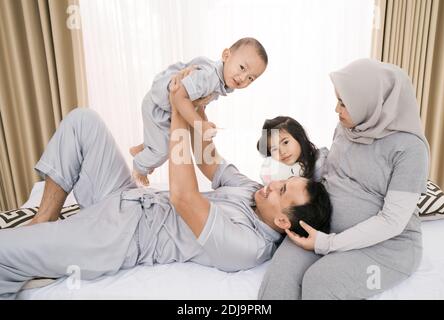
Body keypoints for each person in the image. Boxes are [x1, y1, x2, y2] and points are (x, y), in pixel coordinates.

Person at [0, 73, 331, 299]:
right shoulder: (252, 192)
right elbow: (208, 159)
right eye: (283, 181)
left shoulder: (247, 245)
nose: (274, 185)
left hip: (121, 236)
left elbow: (183, 196)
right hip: (129, 198)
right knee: (82, 121)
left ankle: (36, 251)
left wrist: (177, 113)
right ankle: (43, 222)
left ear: (285, 222)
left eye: (283, 191)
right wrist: (194, 105)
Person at [258, 58, 430, 300]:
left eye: (343, 103)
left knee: (321, 282)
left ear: (371, 102)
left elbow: (393, 221)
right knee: (280, 276)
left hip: (387, 248)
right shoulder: (348, 127)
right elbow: (329, 173)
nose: (336, 110)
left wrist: (327, 244)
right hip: (325, 226)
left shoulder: (410, 150)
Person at [129, 37, 268, 186]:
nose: (243, 78)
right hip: (158, 106)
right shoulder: (210, 76)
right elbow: (178, 95)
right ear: (226, 55)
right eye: (242, 68)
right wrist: (201, 125)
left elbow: (197, 101)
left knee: (164, 140)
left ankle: (143, 148)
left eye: (250, 78)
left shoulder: (223, 80)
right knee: (164, 150)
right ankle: (140, 167)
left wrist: (203, 119)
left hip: (163, 107)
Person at [256, 116, 328, 184]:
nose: (282, 152)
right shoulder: (275, 174)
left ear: (299, 137)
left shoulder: (321, 161)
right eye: (274, 149)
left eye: (285, 142)